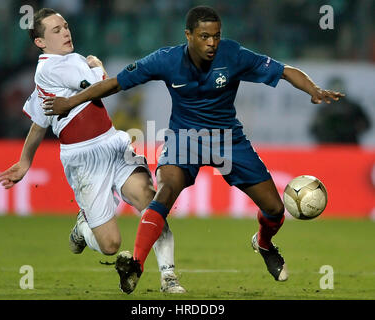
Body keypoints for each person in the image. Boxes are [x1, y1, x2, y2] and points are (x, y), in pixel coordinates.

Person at [43, 6, 345, 294]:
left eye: (216, 35)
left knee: (276, 210)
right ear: (188, 36)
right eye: (204, 36)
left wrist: (313, 90)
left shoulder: (234, 55)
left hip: (228, 139)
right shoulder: (165, 60)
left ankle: (264, 244)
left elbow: (283, 70)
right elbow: (114, 84)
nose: (212, 43)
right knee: (165, 190)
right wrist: (70, 102)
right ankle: (135, 264)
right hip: (183, 138)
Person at [0, 8, 185, 294]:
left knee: (152, 202)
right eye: (56, 30)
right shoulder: (59, 65)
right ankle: (83, 229)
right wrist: (97, 66)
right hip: (84, 160)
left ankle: (169, 277)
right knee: (110, 245)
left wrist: (25, 162)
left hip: (112, 144)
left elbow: (39, 124)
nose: (66, 32)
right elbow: (101, 86)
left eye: (66, 26)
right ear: (40, 42)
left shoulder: (45, 76)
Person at [310, 76, 371, 144]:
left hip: (350, 143)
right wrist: (327, 129)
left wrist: (352, 128)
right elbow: (313, 128)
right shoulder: (325, 109)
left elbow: (366, 124)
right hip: (329, 144)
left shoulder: (353, 107)